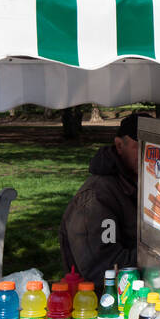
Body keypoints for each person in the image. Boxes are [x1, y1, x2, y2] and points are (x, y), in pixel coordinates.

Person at [59, 113, 139, 293]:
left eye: (156, 147)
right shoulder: (96, 197)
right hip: (101, 304)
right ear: (119, 145)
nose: (150, 154)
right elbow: (104, 269)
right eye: (139, 146)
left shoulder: (146, 182)